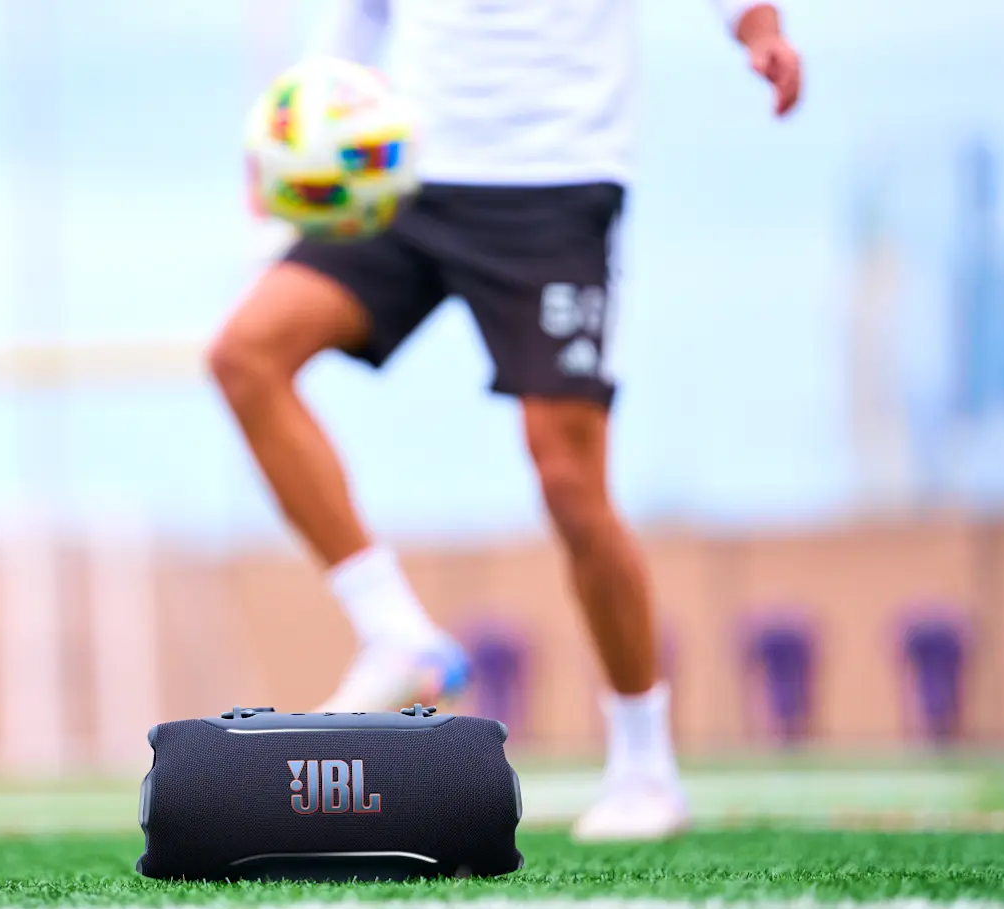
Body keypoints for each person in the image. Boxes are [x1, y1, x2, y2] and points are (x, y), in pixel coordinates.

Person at [207, 0, 802, 841]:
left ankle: (645, 768)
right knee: (245, 356)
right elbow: (361, 16)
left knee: (569, 482)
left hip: (555, 188)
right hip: (405, 178)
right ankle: (397, 635)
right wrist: (290, 132)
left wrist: (758, 30)